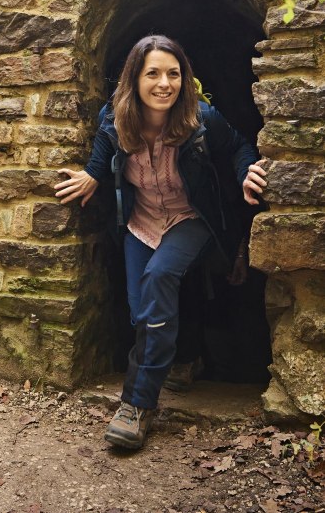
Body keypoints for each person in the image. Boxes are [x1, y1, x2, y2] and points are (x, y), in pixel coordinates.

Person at [54, 35, 267, 451]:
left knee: (158, 277)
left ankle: (136, 406)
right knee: (142, 312)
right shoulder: (114, 119)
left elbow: (239, 144)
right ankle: (186, 358)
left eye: (173, 73)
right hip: (142, 222)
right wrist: (91, 176)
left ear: (185, 79)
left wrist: (247, 172)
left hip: (191, 218)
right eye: (153, 73)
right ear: (135, 79)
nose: (164, 83)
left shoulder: (201, 118)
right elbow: (101, 156)